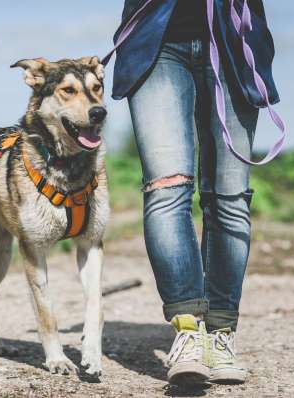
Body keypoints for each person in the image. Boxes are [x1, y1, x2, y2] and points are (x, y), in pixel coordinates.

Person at [109, 0, 282, 386]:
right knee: (165, 188)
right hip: (154, 41)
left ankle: (221, 334)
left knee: (230, 197)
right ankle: (189, 330)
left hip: (235, 44)